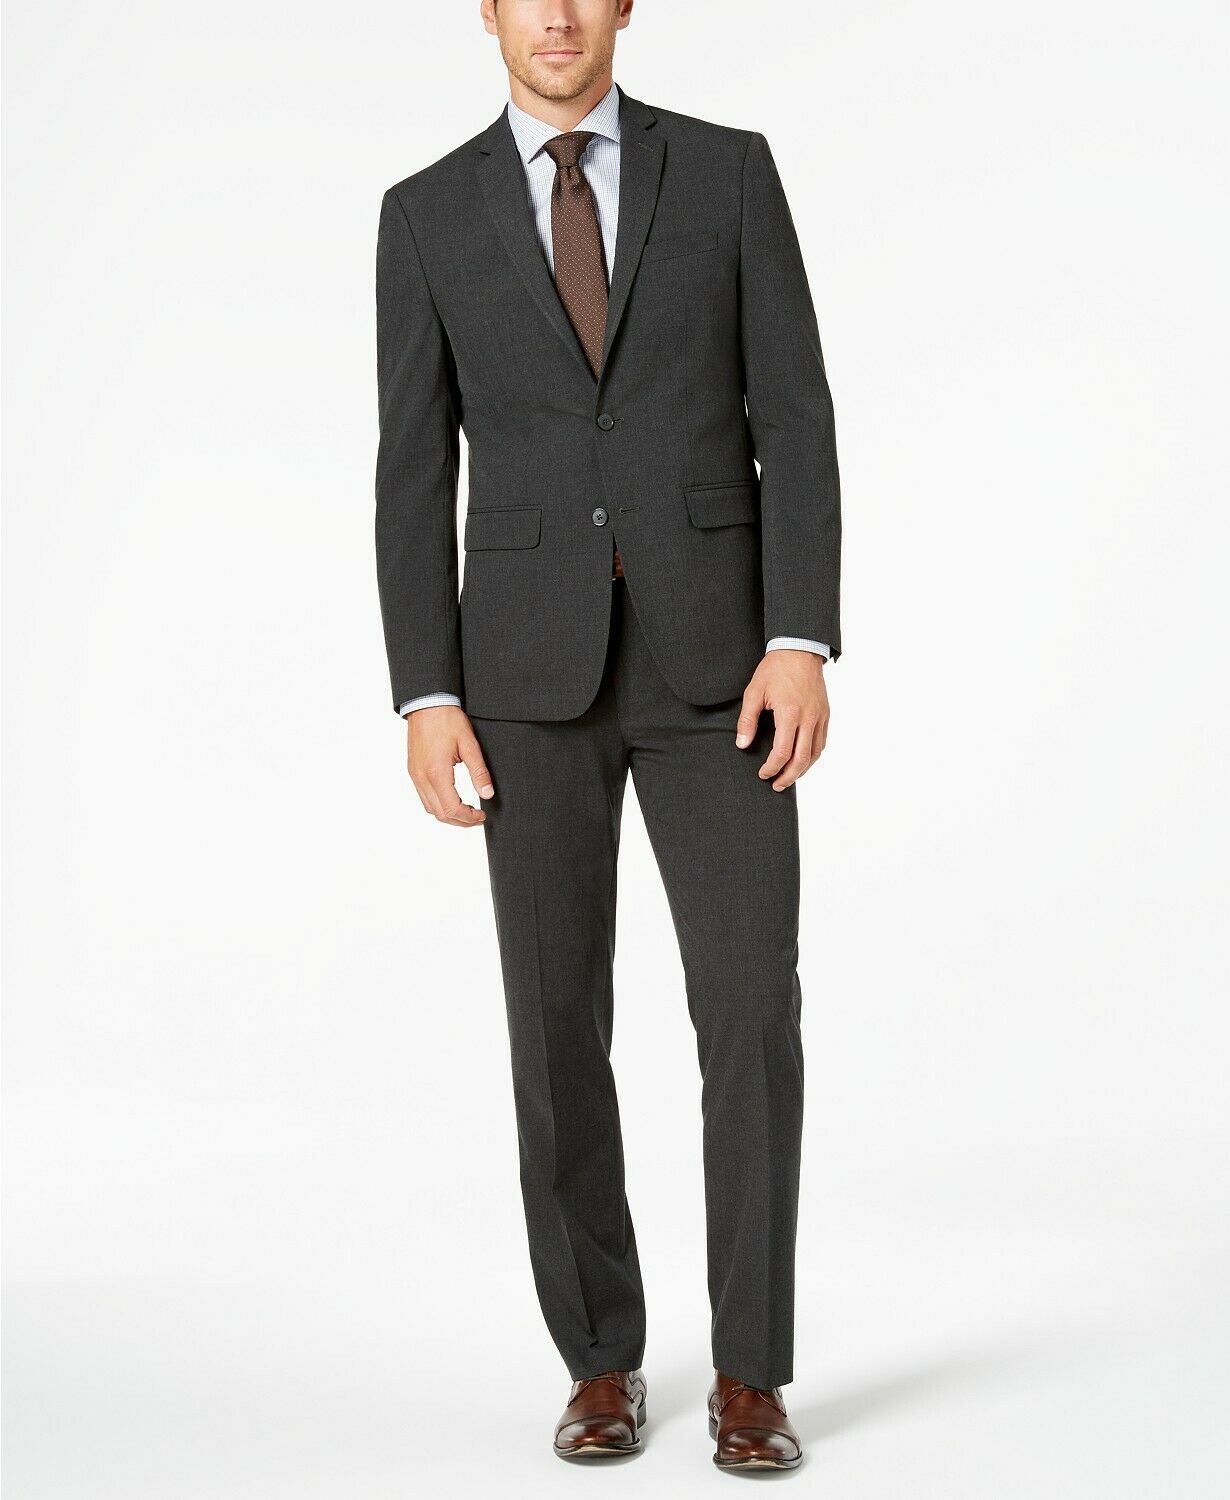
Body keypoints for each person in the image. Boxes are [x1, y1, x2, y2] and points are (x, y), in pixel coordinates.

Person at [373, 0, 841, 1471]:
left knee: (749, 1013)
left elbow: (796, 417)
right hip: (522, 677)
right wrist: (425, 691)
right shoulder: (425, 213)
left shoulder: (730, 172)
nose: (560, 16)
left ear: (626, 3)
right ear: (490, 11)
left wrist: (801, 636)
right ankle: (599, 1358)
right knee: (554, 1023)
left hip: (722, 670)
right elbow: (409, 465)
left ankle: (752, 1372)